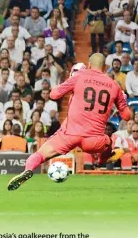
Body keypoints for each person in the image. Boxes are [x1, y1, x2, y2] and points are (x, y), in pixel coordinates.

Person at [8, 54, 132, 191]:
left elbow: (53, 95)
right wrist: (122, 100)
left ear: (89, 65)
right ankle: (103, 159)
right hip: (94, 140)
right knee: (109, 141)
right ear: (105, 67)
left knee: (40, 154)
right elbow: (126, 116)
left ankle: (28, 170)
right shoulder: (114, 85)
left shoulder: (80, 77)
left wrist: (69, 82)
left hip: (70, 135)